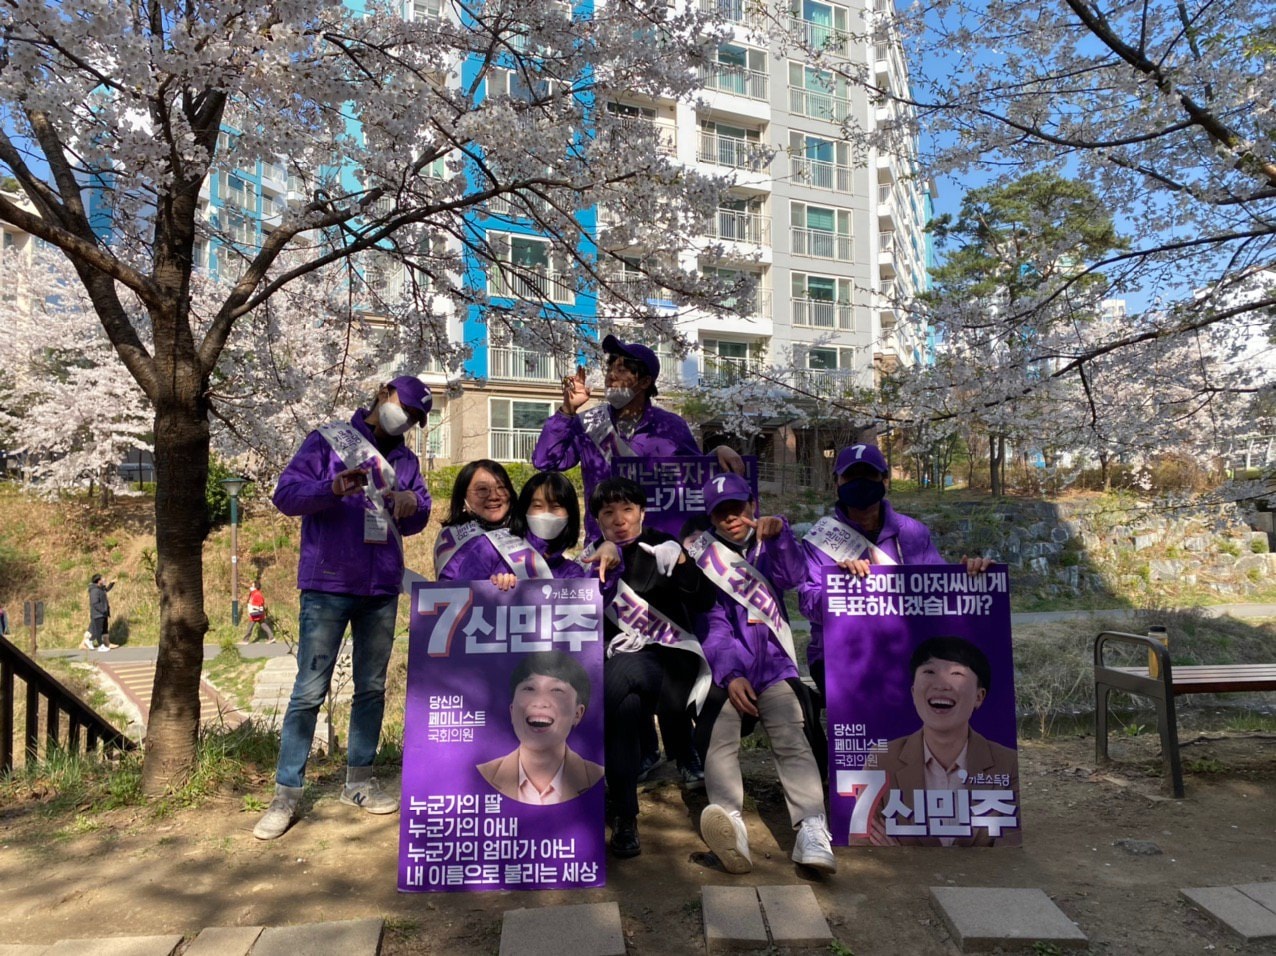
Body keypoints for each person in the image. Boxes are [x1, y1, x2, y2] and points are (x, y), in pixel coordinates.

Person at [253, 375, 433, 841]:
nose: (407, 419)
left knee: (371, 688)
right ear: (384, 394)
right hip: (328, 583)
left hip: (381, 585)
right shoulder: (328, 441)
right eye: (405, 407)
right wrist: (330, 489)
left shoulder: (407, 461)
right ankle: (286, 794)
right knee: (309, 690)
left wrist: (411, 502)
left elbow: (420, 516)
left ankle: (359, 782)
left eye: (416, 417)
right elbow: (286, 495)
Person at [689, 473, 835, 874]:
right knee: (720, 731)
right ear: (711, 518)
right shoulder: (705, 560)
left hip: (774, 666)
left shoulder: (769, 543)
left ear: (751, 505)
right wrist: (730, 673)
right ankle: (730, 823)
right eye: (721, 512)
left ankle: (812, 826)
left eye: (737, 508)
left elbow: (793, 577)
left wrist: (780, 536)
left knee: (791, 733)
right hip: (730, 671)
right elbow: (712, 623)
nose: (731, 518)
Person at [583, 476, 718, 858]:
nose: (619, 519)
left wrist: (682, 563)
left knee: (616, 678)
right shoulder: (592, 557)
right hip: (624, 663)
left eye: (627, 509)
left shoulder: (662, 544)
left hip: (672, 659)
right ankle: (626, 817)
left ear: (642, 512)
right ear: (598, 520)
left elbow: (705, 600)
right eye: (608, 513)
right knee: (623, 706)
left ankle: (591, 766)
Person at [799, 443, 992, 698]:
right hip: (841, 653)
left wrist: (969, 577)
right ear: (836, 482)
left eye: (868, 475)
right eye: (851, 476)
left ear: (885, 480)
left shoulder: (913, 532)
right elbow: (807, 603)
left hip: (908, 649)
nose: (860, 483)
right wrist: (844, 589)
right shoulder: (820, 540)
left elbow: (941, 593)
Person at [532, 334, 745, 541]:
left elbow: (696, 480)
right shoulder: (589, 423)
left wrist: (717, 454)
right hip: (603, 544)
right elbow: (545, 462)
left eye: (621, 370)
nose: (611, 376)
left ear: (644, 381)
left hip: (657, 547)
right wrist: (567, 411)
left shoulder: (671, 426)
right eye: (609, 369)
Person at [863, 636, 1020, 847]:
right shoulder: (882, 759)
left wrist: (903, 855)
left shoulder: (1008, 763)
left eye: (957, 674)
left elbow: (1010, 850)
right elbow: (865, 842)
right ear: (913, 692)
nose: (941, 685)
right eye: (929, 672)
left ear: (979, 697)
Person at [476, 651, 604, 805]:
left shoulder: (596, 777)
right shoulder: (481, 776)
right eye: (529, 688)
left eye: (557, 690)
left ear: (578, 713)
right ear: (512, 710)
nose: (540, 702)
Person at [433, 460, 517, 580]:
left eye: (501, 487)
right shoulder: (454, 537)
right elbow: (452, 586)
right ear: (463, 497)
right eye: (482, 490)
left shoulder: (525, 532)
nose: (494, 496)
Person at [84, 574, 114, 652]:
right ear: (98, 581)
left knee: (100, 630)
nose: (104, 579)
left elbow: (106, 589)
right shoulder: (94, 590)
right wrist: (103, 610)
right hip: (98, 614)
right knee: (99, 631)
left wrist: (112, 583)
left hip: (103, 613)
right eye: (102, 578)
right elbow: (95, 603)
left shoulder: (101, 588)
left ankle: (89, 641)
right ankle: (101, 646)